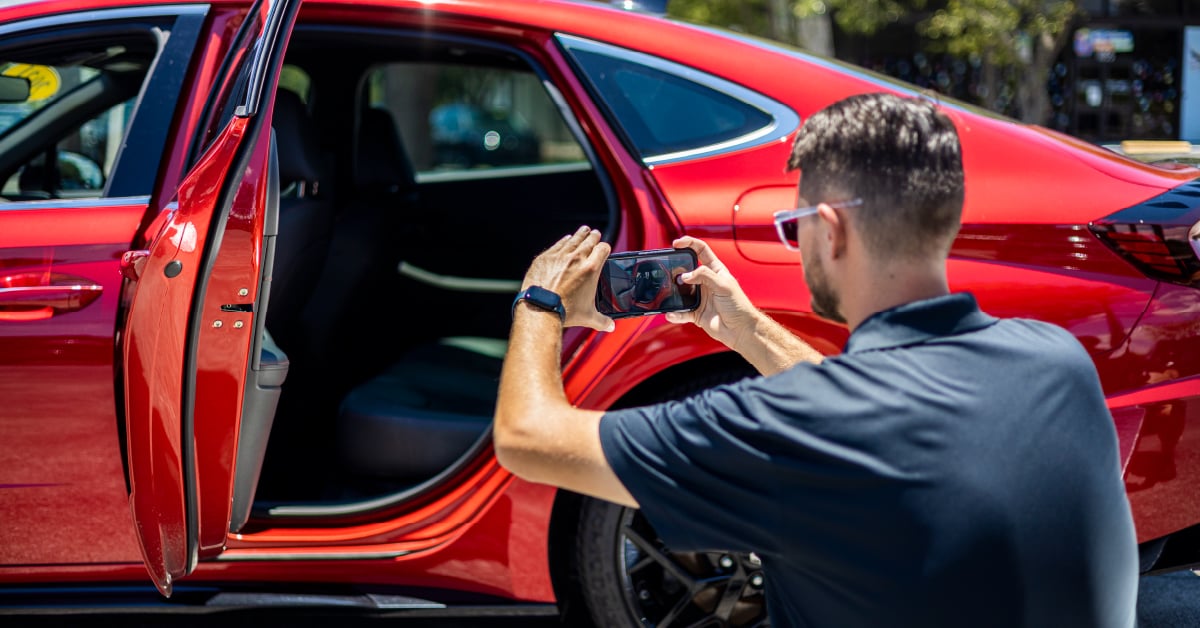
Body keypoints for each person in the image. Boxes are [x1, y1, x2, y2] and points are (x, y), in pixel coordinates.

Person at [493, 92, 1138, 627]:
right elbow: (876, 422)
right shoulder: (1057, 363)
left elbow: (526, 439)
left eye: (794, 223)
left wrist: (540, 299)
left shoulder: (789, 427)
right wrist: (747, 330)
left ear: (832, 230)